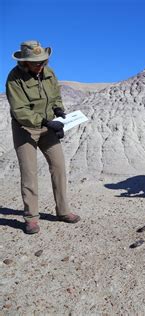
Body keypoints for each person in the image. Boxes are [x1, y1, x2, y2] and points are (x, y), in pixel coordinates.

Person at [6, 40, 81, 234]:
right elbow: (20, 111)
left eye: (43, 61)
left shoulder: (49, 73)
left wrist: (58, 110)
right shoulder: (14, 79)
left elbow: (55, 96)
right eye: (35, 62)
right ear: (24, 62)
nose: (40, 65)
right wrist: (46, 122)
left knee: (59, 167)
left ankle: (63, 211)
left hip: (48, 127)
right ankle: (31, 218)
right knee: (29, 173)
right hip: (25, 129)